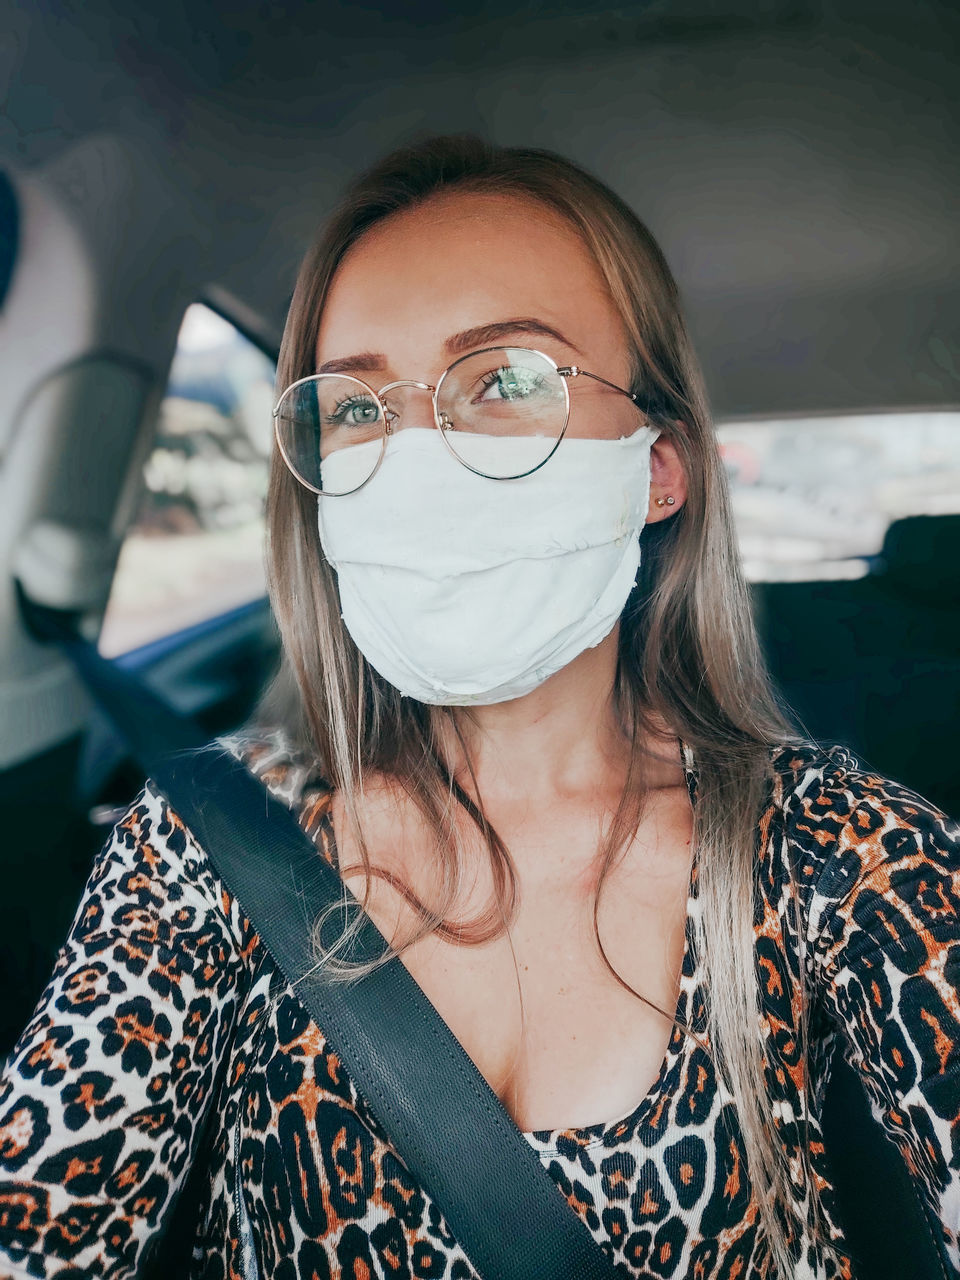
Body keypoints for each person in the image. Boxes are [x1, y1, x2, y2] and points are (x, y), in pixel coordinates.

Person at [0, 135, 957, 1280]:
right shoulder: (204, 837)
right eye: (354, 408)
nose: (412, 456)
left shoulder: (839, 849)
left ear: (659, 469)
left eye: (505, 380)